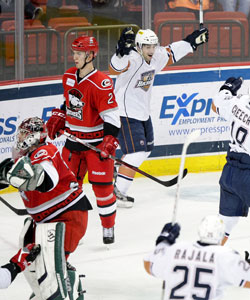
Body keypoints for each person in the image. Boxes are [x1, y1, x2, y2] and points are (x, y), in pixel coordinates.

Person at [109, 27, 209, 208]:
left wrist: (191, 42)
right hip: (125, 113)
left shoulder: (155, 57)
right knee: (136, 152)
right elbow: (115, 67)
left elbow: (170, 52)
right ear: (138, 46)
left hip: (142, 113)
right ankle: (118, 193)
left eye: (153, 46)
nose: (151, 50)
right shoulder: (131, 58)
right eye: (147, 47)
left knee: (147, 149)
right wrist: (120, 51)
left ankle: (119, 169)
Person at [0, 116, 91, 298]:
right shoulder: (25, 158)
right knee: (34, 259)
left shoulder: (44, 151)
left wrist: (29, 177)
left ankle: (68, 289)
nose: (20, 137)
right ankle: (39, 288)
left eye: (24, 134)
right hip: (47, 220)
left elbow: (47, 180)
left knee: (51, 266)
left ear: (34, 136)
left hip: (67, 216)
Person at [46, 36, 120, 244]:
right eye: (74, 53)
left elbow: (112, 117)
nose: (75, 57)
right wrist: (61, 116)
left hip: (95, 145)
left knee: (103, 189)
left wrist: (109, 140)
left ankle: (108, 227)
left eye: (79, 53)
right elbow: (69, 102)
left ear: (91, 55)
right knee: (68, 187)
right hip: (72, 142)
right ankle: (72, 229)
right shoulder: (69, 75)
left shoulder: (101, 82)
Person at [144, 215, 250, 299]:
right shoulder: (225, 256)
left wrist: (163, 241)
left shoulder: (176, 250)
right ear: (221, 234)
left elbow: (148, 265)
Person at [212, 76, 250, 245]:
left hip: (230, 173)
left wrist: (226, 89)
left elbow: (216, 105)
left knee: (223, 228)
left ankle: (207, 260)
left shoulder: (240, 102)